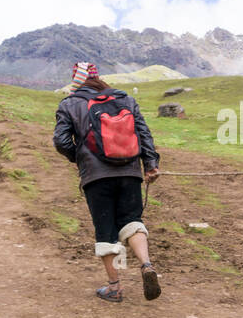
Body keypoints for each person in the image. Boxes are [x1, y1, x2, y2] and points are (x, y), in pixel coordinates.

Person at [53, 62, 162, 303]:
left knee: (105, 229)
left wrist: (80, 158)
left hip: (96, 176)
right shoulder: (125, 100)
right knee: (132, 221)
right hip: (130, 171)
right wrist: (151, 164)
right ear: (97, 78)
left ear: (76, 81)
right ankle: (146, 265)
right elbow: (144, 133)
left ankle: (114, 287)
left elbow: (61, 140)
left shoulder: (70, 104)